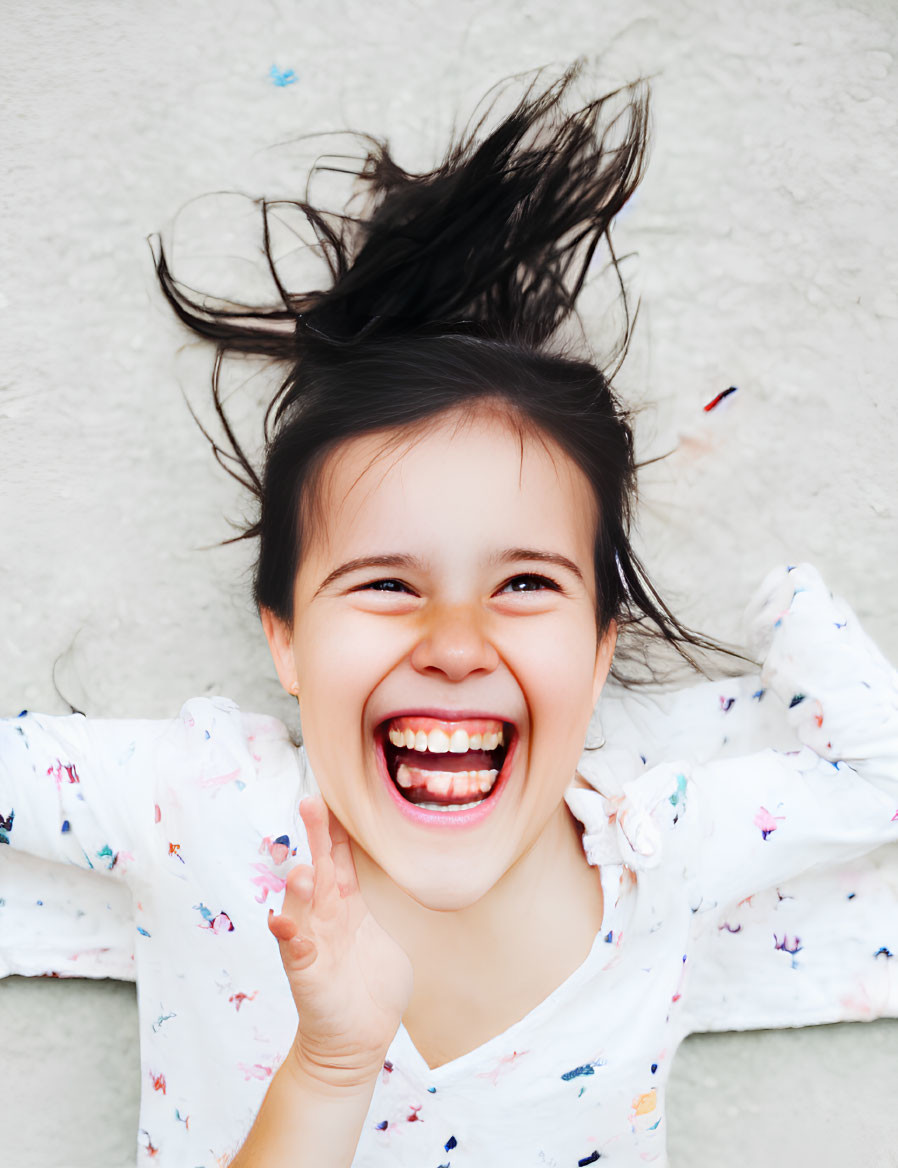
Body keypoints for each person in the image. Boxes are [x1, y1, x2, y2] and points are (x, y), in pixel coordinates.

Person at [1, 64, 896, 1167]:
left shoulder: (660, 848)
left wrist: (788, 595)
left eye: (525, 585)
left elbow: (878, 779)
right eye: (385, 582)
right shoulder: (204, 810)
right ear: (281, 635)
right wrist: (332, 1061)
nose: (458, 645)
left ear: (602, 642)